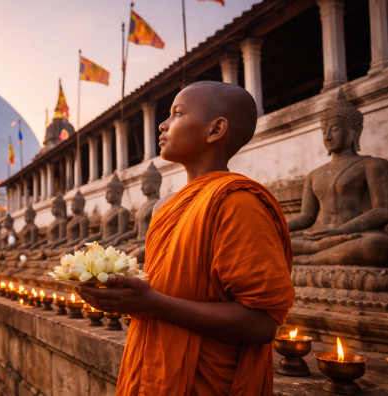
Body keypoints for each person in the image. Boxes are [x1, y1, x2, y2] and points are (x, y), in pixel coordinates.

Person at [76, 81, 295, 396]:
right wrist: (123, 297)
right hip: (155, 371)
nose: (163, 125)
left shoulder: (238, 203)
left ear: (215, 130)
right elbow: (170, 291)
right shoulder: (168, 207)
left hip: (205, 382)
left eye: (177, 114)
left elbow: (262, 324)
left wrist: (152, 303)